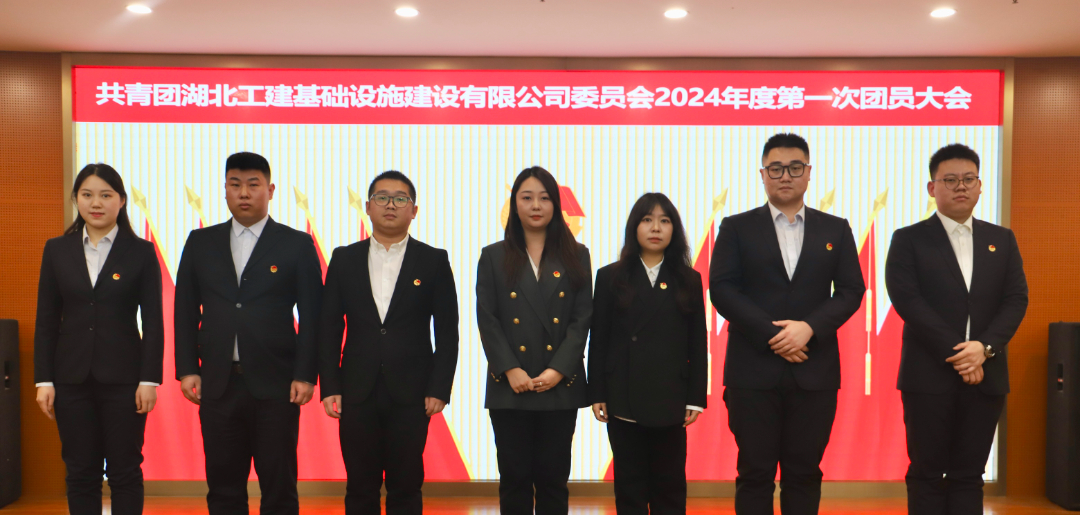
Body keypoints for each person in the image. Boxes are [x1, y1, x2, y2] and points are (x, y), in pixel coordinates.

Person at [709, 133, 865, 515]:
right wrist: (775, 334)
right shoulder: (735, 227)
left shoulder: (835, 229)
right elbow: (722, 289)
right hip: (752, 372)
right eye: (776, 169)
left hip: (814, 370)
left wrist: (808, 328)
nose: (785, 176)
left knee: (805, 473)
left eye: (795, 168)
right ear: (762, 174)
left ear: (808, 173)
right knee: (754, 473)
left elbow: (851, 290)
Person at [174, 151, 323, 515]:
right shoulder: (200, 242)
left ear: (270, 190)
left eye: (253, 185)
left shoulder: (296, 244)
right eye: (235, 184)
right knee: (223, 487)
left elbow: (313, 315)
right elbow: (184, 311)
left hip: (277, 385)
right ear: (224, 189)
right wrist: (187, 368)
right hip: (218, 384)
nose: (244, 193)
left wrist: (306, 374)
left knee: (279, 486)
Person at [885, 143, 1028, 515]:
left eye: (968, 179)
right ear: (932, 188)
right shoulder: (908, 239)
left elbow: (1016, 299)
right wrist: (962, 353)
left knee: (969, 475)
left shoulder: (1002, 239)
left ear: (980, 186)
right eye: (950, 180)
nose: (960, 186)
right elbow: (908, 301)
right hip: (927, 376)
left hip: (986, 375)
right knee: (927, 473)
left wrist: (985, 348)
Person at [319, 170, 459, 515]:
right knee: (360, 487)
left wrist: (439, 388)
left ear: (414, 210)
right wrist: (330, 385)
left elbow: (447, 331)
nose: (390, 205)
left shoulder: (433, 260)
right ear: (368, 207)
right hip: (356, 390)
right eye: (382, 198)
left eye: (400, 198)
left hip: (413, 392)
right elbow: (329, 327)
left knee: (406, 486)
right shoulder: (344, 259)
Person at [34, 163, 163, 515]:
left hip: (125, 381)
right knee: (80, 472)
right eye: (87, 194)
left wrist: (149, 380)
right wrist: (44, 380)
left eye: (106, 195)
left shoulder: (141, 251)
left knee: (125, 470)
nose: (96, 203)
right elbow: (46, 321)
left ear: (121, 201)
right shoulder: (57, 250)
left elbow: (154, 322)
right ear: (76, 199)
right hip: (70, 379)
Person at [476, 166, 592, 515]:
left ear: (556, 204)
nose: (536, 205)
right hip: (510, 385)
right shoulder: (493, 255)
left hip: (559, 384)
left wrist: (558, 370)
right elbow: (488, 319)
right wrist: (510, 369)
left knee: (553, 480)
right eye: (527, 198)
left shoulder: (577, 254)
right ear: (514, 204)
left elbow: (582, 319)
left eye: (544, 198)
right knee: (514, 479)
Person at [588, 193, 708, 515]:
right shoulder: (610, 277)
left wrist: (696, 398)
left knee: (670, 486)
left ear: (674, 230)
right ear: (634, 227)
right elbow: (598, 340)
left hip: (671, 397)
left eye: (664, 221)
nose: (656, 228)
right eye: (647, 219)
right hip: (623, 396)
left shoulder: (688, 279)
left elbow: (697, 343)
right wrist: (597, 392)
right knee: (630, 487)